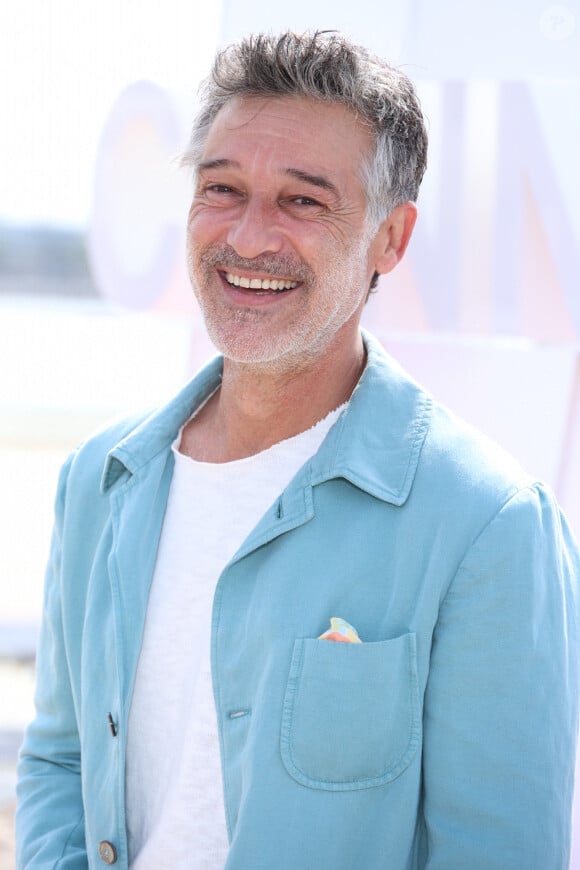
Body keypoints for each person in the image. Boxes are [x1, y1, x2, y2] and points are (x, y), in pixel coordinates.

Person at [16, 30, 579, 870]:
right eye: (222, 188)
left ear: (391, 238)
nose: (247, 237)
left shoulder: (488, 524)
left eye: (304, 201)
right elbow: (60, 761)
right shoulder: (101, 480)